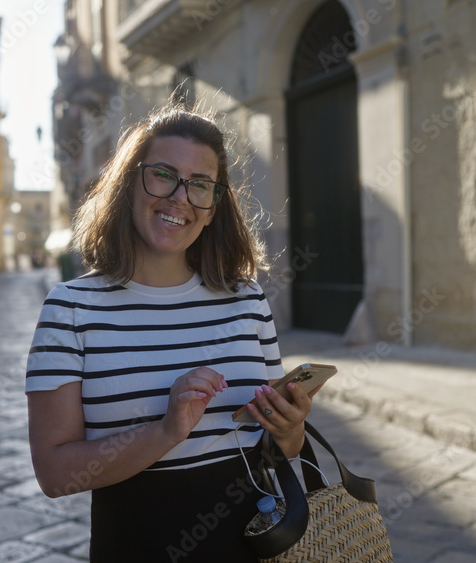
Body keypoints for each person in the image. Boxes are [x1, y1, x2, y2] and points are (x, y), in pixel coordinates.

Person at [25, 104, 323, 562]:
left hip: (255, 548)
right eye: (164, 175)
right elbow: (55, 475)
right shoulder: (70, 309)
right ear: (130, 184)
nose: (180, 197)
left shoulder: (246, 298)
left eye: (200, 185)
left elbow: (279, 449)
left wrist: (289, 428)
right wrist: (165, 431)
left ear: (213, 206)